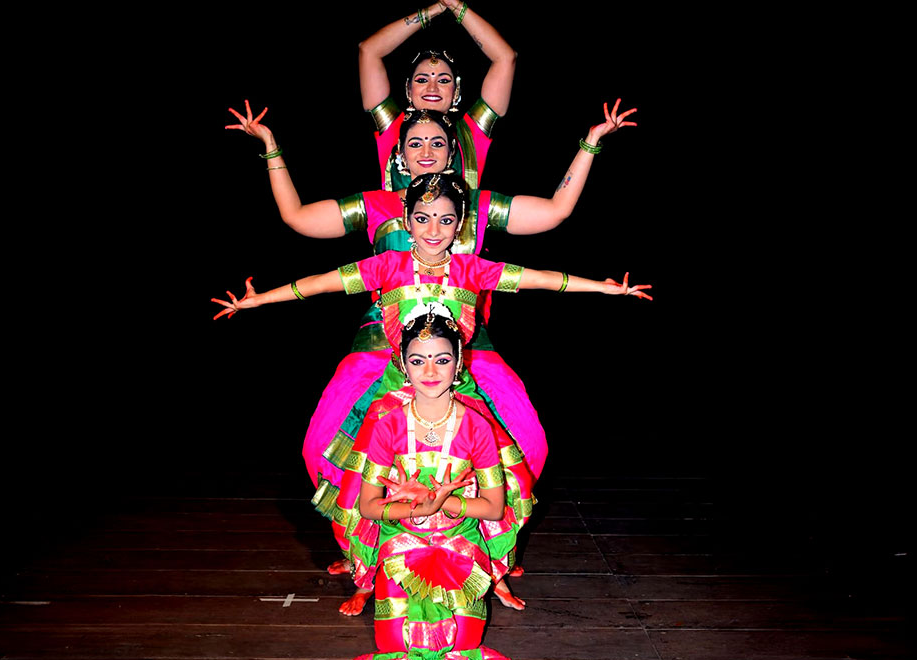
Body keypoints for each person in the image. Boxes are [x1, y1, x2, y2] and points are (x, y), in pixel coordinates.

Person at [211, 172, 651, 613]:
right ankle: (366, 576)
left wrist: (602, 287)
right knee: (363, 487)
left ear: (460, 224)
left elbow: (538, 278)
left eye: (446, 219)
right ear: (406, 220)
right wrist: (259, 300)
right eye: (423, 218)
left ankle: (493, 573)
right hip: (395, 396)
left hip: (459, 398)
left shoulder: (472, 269)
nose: (434, 229)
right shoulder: (387, 266)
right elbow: (321, 282)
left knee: (499, 483)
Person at [225, 97, 637, 485]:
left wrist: (591, 143)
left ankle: (478, 527)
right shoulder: (379, 210)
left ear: (453, 150)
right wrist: (271, 147)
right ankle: (372, 529)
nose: (426, 151)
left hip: (464, 347)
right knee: (323, 445)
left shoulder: (476, 210)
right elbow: (310, 252)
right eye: (415, 142)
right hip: (382, 344)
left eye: (437, 142)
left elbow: (549, 237)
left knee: (527, 442)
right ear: (399, 153)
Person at [332, 309, 518, 660]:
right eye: (417, 360)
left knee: (463, 657)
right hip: (402, 546)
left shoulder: (476, 427)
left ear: (459, 363)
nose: (430, 371)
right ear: (402, 365)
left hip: (460, 547)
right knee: (395, 656)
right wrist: (415, 508)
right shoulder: (387, 425)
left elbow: (493, 508)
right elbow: (368, 506)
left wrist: (440, 502)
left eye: (442, 359)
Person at [358, 0, 515, 191]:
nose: (432, 87)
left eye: (443, 80)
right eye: (422, 80)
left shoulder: (470, 134)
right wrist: (436, 9)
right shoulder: (393, 128)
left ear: (456, 91)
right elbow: (369, 51)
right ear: (408, 90)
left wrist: (455, 5)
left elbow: (505, 58)